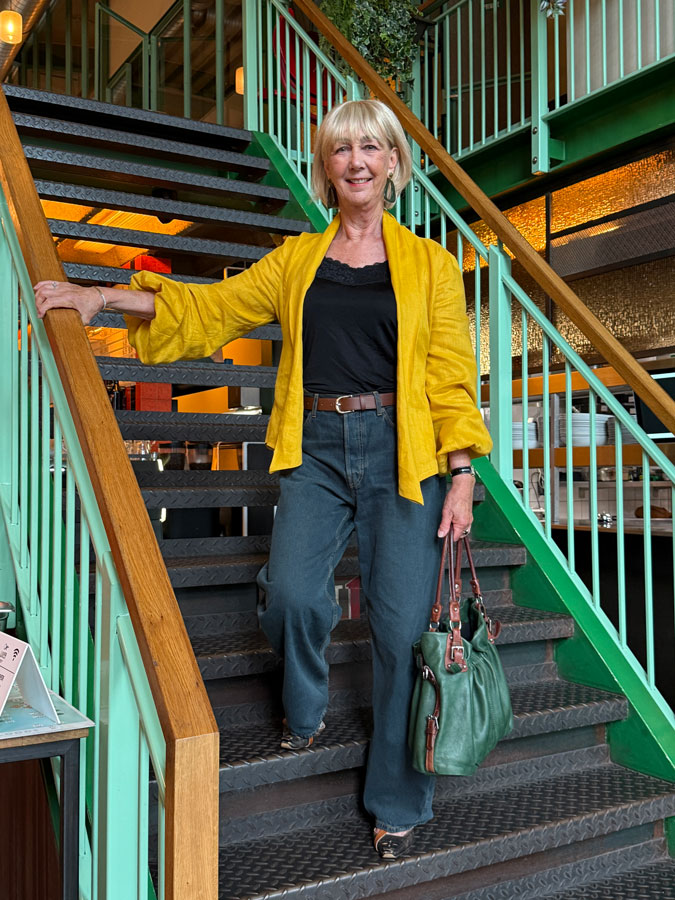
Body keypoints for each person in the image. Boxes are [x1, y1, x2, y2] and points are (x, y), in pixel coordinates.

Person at [35, 99, 492, 859]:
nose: (355, 160)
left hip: (399, 449)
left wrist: (461, 475)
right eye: (341, 148)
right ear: (326, 165)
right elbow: (213, 308)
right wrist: (101, 296)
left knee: (400, 629)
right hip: (313, 443)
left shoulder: (429, 266)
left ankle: (398, 798)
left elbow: (448, 374)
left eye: (371, 148)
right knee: (289, 595)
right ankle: (303, 705)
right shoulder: (298, 261)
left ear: (391, 166)